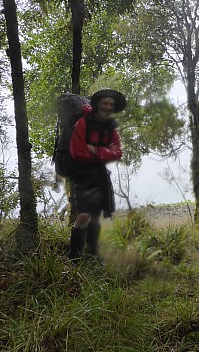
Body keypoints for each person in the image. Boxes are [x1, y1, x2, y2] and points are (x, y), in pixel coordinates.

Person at [68, 89, 126, 263]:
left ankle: (93, 254)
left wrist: (97, 151)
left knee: (95, 214)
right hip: (82, 173)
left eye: (111, 105)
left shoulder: (111, 127)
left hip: (100, 173)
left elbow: (118, 152)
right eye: (105, 103)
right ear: (98, 104)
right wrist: (104, 154)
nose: (108, 107)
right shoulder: (82, 124)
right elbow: (78, 153)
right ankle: (74, 259)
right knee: (84, 214)